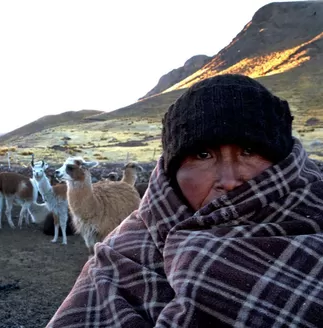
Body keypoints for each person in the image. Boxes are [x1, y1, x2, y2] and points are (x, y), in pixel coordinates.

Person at [47, 74, 323, 327]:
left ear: (284, 164)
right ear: (172, 171)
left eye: (250, 151)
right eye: (203, 155)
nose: (228, 180)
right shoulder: (122, 259)